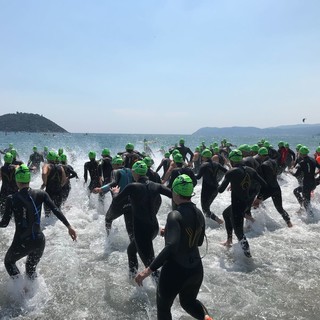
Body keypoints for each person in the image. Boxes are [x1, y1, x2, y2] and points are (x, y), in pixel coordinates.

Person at [135, 174, 213, 320]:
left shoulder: (174, 215)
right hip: (196, 269)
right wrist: (172, 232)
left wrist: (148, 270)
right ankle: (206, 317)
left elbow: (171, 247)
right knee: (188, 302)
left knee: (163, 309)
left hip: (175, 271)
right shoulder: (199, 213)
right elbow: (199, 241)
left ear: (175, 192)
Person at [0, 164, 77, 280]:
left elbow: (4, 223)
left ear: (17, 179)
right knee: (30, 270)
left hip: (22, 241)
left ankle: (21, 290)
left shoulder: (12, 198)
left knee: (9, 262)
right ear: (29, 179)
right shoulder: (41, 194)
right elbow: (55, 210)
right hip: (39, 241)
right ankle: (33, 292)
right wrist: (69, 226)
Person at [111, 161, 172, 280]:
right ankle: (132, 279)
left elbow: (117, 201)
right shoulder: (156, 185)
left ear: (134, 172)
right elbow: (174, 195)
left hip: (142, 231)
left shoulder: (132, 186)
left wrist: (115, 193)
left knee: (151, 267)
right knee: (131, 250)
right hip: (154, 228)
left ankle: (163, 290)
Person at [218, 149, 267, 257]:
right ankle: (229, 240)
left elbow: (220, 190)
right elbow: (264, 184)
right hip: (246, 202)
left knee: (239, 233)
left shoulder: (231, 172)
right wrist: (257, 197)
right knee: (226, 214)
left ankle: (248, 257)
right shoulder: (251, 170)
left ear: (231, 160)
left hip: (237, 205)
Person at [252, 147, 293, 228]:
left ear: (260, 155)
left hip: (269, 189)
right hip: (276, 188)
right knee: (280, 208)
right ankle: (289, 223)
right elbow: (277, 173)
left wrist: (259, 196)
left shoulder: (263, 165)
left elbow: (265, 182)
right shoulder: (273, 161)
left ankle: (255, 224)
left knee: (255, 204)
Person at [196, 149, 227, 224]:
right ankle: (209, 224)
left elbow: (198, 177)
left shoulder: (204, 165)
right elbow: (227, 171)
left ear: (204, 157)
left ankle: (219, 221)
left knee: (205, 209)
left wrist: (189, 173)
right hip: (215, 189)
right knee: (207, 208)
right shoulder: (217, 164)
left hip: (207, 190)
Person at [291, 146, 320, 216]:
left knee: (306, 201)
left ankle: (311, 218)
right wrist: (315, 173)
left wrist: (290, 172)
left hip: (306, 184)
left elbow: (296, 174)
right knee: (299, 193)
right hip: (313, 183)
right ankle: (302, 207)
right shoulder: (313, 160)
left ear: (300, 153)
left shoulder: (302, 162)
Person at [41, 151, 67, 216]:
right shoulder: (60, 167)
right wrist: (60, 186)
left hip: (49, 192)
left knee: (47, 213)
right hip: (58, 192)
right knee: (58, 212)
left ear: (47, 158)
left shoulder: (46, 166)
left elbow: (44, 173)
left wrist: (45, 183)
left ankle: (47, 225)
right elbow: (64, 179)